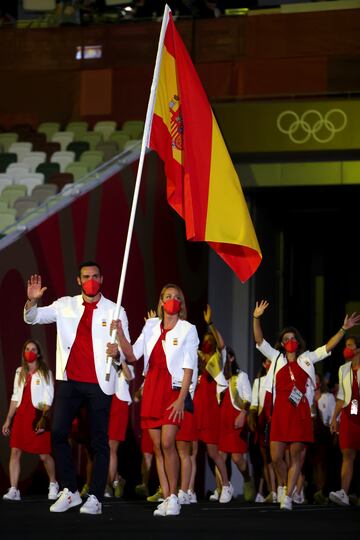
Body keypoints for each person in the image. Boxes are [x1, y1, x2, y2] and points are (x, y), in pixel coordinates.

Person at [24, 262, 130, 515]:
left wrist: (117, 354)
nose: (91, 280)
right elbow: (34, 317)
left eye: (95, 276)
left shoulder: (116, 310)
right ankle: (70, 490)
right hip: (70, 381)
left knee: (99, 442)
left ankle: (95, 497)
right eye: (86, 276)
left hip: (100, 383)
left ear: (102, 279)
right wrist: (32, 302)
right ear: (78, 280)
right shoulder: (64, 305)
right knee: (58, 432)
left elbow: (127, 356)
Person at [253, 299, 360, 511]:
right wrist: (256, 318)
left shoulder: (307, 358)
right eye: (286, 339)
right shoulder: (276, 358)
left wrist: (343, 329)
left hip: (300, 412)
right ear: (282, 343)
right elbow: (259, 340)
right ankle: (285, 486)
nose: (290, 341)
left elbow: (328, 346)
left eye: (293, 338)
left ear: (298, 341)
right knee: (275, 457)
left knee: (296, 456)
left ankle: (288, 496)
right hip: (281, 413)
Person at [113, 283, 199, 517]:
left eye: (176, 297)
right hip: (151, 388)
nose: (172, 299)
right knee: (158, 448)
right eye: (168, 296)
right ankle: (166, 494)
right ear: (161, 302)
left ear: (181, 304)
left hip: (173, 390)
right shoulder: (151, 326)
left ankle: (173, 497)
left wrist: (182, 398)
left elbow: (189, 366)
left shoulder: (188, 329)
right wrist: (120, 333)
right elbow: (132, 355)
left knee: (169, 443)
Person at [2, 339, 58, 501]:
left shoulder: (45, 372)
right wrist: (8, 420)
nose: (30, 352)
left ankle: (53, 483)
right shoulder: (20, 372)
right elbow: (15, 397)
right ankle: (14, 489)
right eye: (27, 349)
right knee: (15, 451)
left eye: (33, 349)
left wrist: (43, 419)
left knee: (44, 455)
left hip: (37, 416)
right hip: (21, 416)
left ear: (38, 353)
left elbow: (50, 397)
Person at [193, 305, 234, 503]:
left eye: (210, 340)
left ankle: (226, 485)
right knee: (191, 452)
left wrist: (210, 325)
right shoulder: (197, 361)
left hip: (210, 413)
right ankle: (188, 491)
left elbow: (222, 344)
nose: (207, 343)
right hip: (195, 412)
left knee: (213, 453)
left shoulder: (217, 361)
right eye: (205, 340)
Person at [218, 346, 254, 502]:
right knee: (219, 456)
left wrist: (243, 414)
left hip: (236, 420)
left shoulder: (241, 376)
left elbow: (249, 399)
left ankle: (247, 480)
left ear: (231, 358)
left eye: (225, 357)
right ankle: (223, 488)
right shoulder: (218, 378)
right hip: (222, 421)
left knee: (237, 458)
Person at [329, 334, 360, 506]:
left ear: (358, 349)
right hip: (349, 414)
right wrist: (335, 417)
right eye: (346, 345)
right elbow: (341, 396)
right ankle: (344, 493)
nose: (346, 348)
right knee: (347, 454)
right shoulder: (343, 369)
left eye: (350, 345)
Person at [248, 357, 277, 504]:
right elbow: (254, 403)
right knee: (266, 459)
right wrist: (252, 419)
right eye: (267, 361)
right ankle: (273, 491)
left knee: (279, 457)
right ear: (264, 364)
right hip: (262, 422)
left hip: (277, 420)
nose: (269, 364)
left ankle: (285, 490)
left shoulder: (280, 379)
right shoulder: (258, 382)